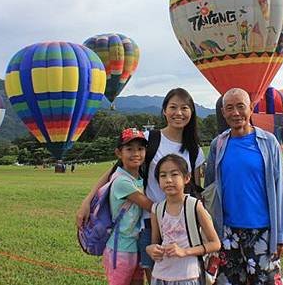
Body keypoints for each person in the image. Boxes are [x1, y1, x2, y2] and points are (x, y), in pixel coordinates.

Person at [77, 88, 206, 283]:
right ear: (164, 111)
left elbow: (195, 189)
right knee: (155, 278)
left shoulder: (195, 151)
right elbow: (114, 172)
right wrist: (87, 201)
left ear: (192, 112)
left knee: (184, 277)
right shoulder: (150, 139)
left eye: (184, 108)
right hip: (149, 223)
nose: (178, 113)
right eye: (173, 107)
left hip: (183, 225)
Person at [204, 88, 283, 285]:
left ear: (251, 108)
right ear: (223, 113)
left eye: (241, 106)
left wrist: (281, 233)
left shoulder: (269, 142)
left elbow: (279, 188)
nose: (235, 113)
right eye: (229, 108)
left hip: (262, 231)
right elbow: (210, 188)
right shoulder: (218, 144)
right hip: (227, 232)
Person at [146, 154, 220, 285]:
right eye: (163, 176)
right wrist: (150, 249)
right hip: (161, 275)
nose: (168, 180)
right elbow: (155, 242)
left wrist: (185, 251)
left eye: (174, 174)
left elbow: (215, 244)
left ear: (186, 178)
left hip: (188, 275)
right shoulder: (156, 209)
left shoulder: (195, 206)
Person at [102, 128, 153, 285]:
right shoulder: (122, 181)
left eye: (140, 148)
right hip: (121, 248)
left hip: (134, 246)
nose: (136, 153)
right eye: (129, 149)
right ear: (119, 153)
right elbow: (150, 206)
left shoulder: (137, 178)